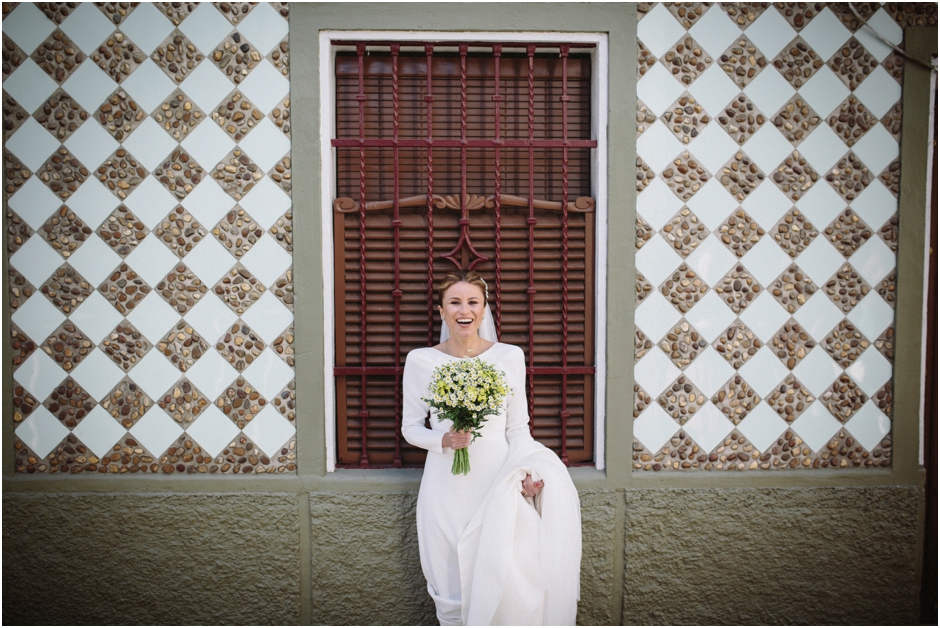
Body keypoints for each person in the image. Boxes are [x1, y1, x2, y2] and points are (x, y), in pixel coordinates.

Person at [401, 269, 582, 626]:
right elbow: (409, 428)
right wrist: (443, 439)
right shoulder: (421, 361)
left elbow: (518, 427)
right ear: (441, 310)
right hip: (444, 490)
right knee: (451, 585)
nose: (463, 309)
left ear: (484, 311)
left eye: (473, 302)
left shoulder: (509, 357)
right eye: (454, 302)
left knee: (509, 579)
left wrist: (529, 473)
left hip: (498, 486)